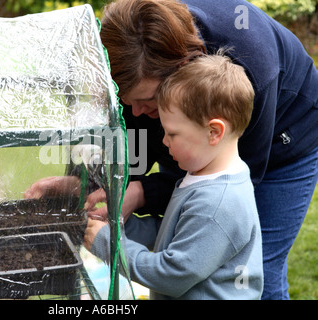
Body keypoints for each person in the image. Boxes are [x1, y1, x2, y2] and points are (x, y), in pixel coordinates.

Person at [87, 0, 317, 300]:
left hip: (288, 137)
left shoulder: (250, 65)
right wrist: (97, 184)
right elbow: (134, 139)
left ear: (182, 70)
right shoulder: (137, 58)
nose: (135, 111)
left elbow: (181, 261)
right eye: (125, 100)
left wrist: (124, 223)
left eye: (148, 100)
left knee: (262, 273)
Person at [84, 52, 263, 299]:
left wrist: (109, 244)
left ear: (214, 132)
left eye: (173, 134)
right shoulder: (203, 176)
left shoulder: (217, 203)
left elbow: (172, 275)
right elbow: (175, 237)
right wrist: (121, 227)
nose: (164, 141)